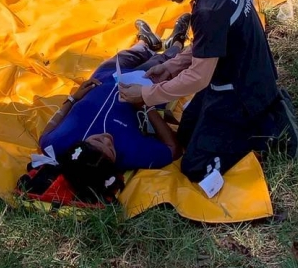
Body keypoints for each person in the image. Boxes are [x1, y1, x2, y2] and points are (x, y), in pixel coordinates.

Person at [118, 0, 298, 182]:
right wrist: (172, 66)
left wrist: (146, 95)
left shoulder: (208, 9)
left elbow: (198, 77)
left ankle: (271, 127)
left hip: (240, 90)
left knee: (195, 167)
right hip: (238, 73)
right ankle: (260, 110)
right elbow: (209, 42)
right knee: (185, 135)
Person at [37, 17, 193, 202]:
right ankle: (177, 41)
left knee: (123, 57)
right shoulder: (132, 152)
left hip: (105, 76)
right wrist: (146, 106)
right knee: (164, 61)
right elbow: (174, 150)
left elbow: (45, 134)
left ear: (79, 147)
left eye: (97, 140)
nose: (107, 138)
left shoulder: (58, 144)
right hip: (143, 83)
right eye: (111, 149)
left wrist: (72, 99)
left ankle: (146, 43)